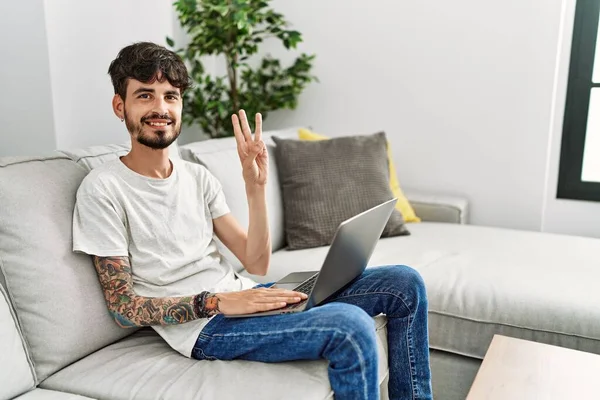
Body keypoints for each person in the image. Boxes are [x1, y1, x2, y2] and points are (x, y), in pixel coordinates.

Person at [72, 41, 432, 400]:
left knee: (404, 284)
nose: (161, 108)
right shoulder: (103, 189)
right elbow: (123, 309)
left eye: (171, 96)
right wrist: (214, 302)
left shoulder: (197, 178)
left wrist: (255, 186)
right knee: (350, 326)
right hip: (206, 327)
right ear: (120, 106)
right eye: (145, 96)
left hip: (246, 297)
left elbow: (257, 262)